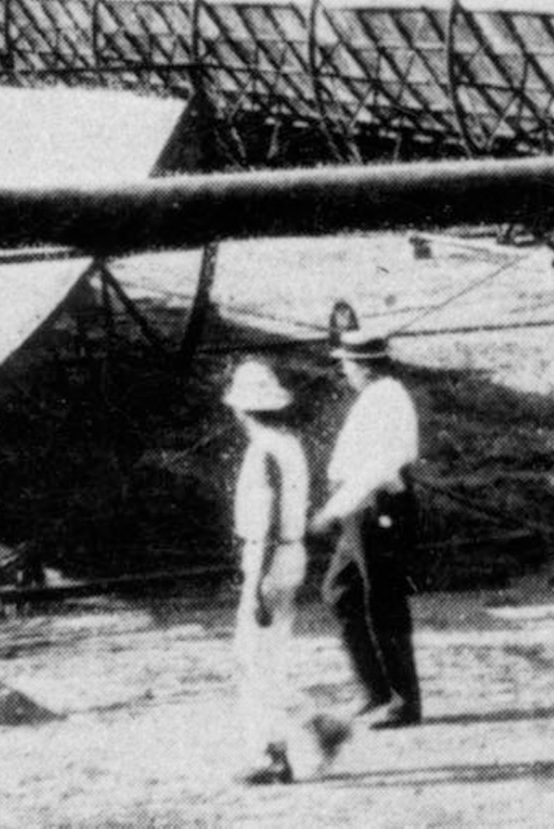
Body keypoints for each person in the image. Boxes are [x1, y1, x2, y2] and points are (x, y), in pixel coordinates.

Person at [222, 359, 344, 786]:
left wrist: (255, 583)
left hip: (269, 560)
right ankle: (297, 738)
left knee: (254, 662)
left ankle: (283, 745)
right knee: (263, 661)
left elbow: (268, 520)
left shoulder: (263, 452)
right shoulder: (290, 444)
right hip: (290, 555)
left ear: (241, 410)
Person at [310, 302, 425, 729]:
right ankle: (375, 688)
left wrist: (332, 510)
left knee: (384, 603)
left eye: (347, 365)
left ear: (364, 366)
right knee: (340, 593)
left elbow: (378, 468)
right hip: (361, 510)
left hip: (377, 507)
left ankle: (402, 701)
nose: (345, 372)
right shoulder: (377, 396)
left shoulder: (387, 400)